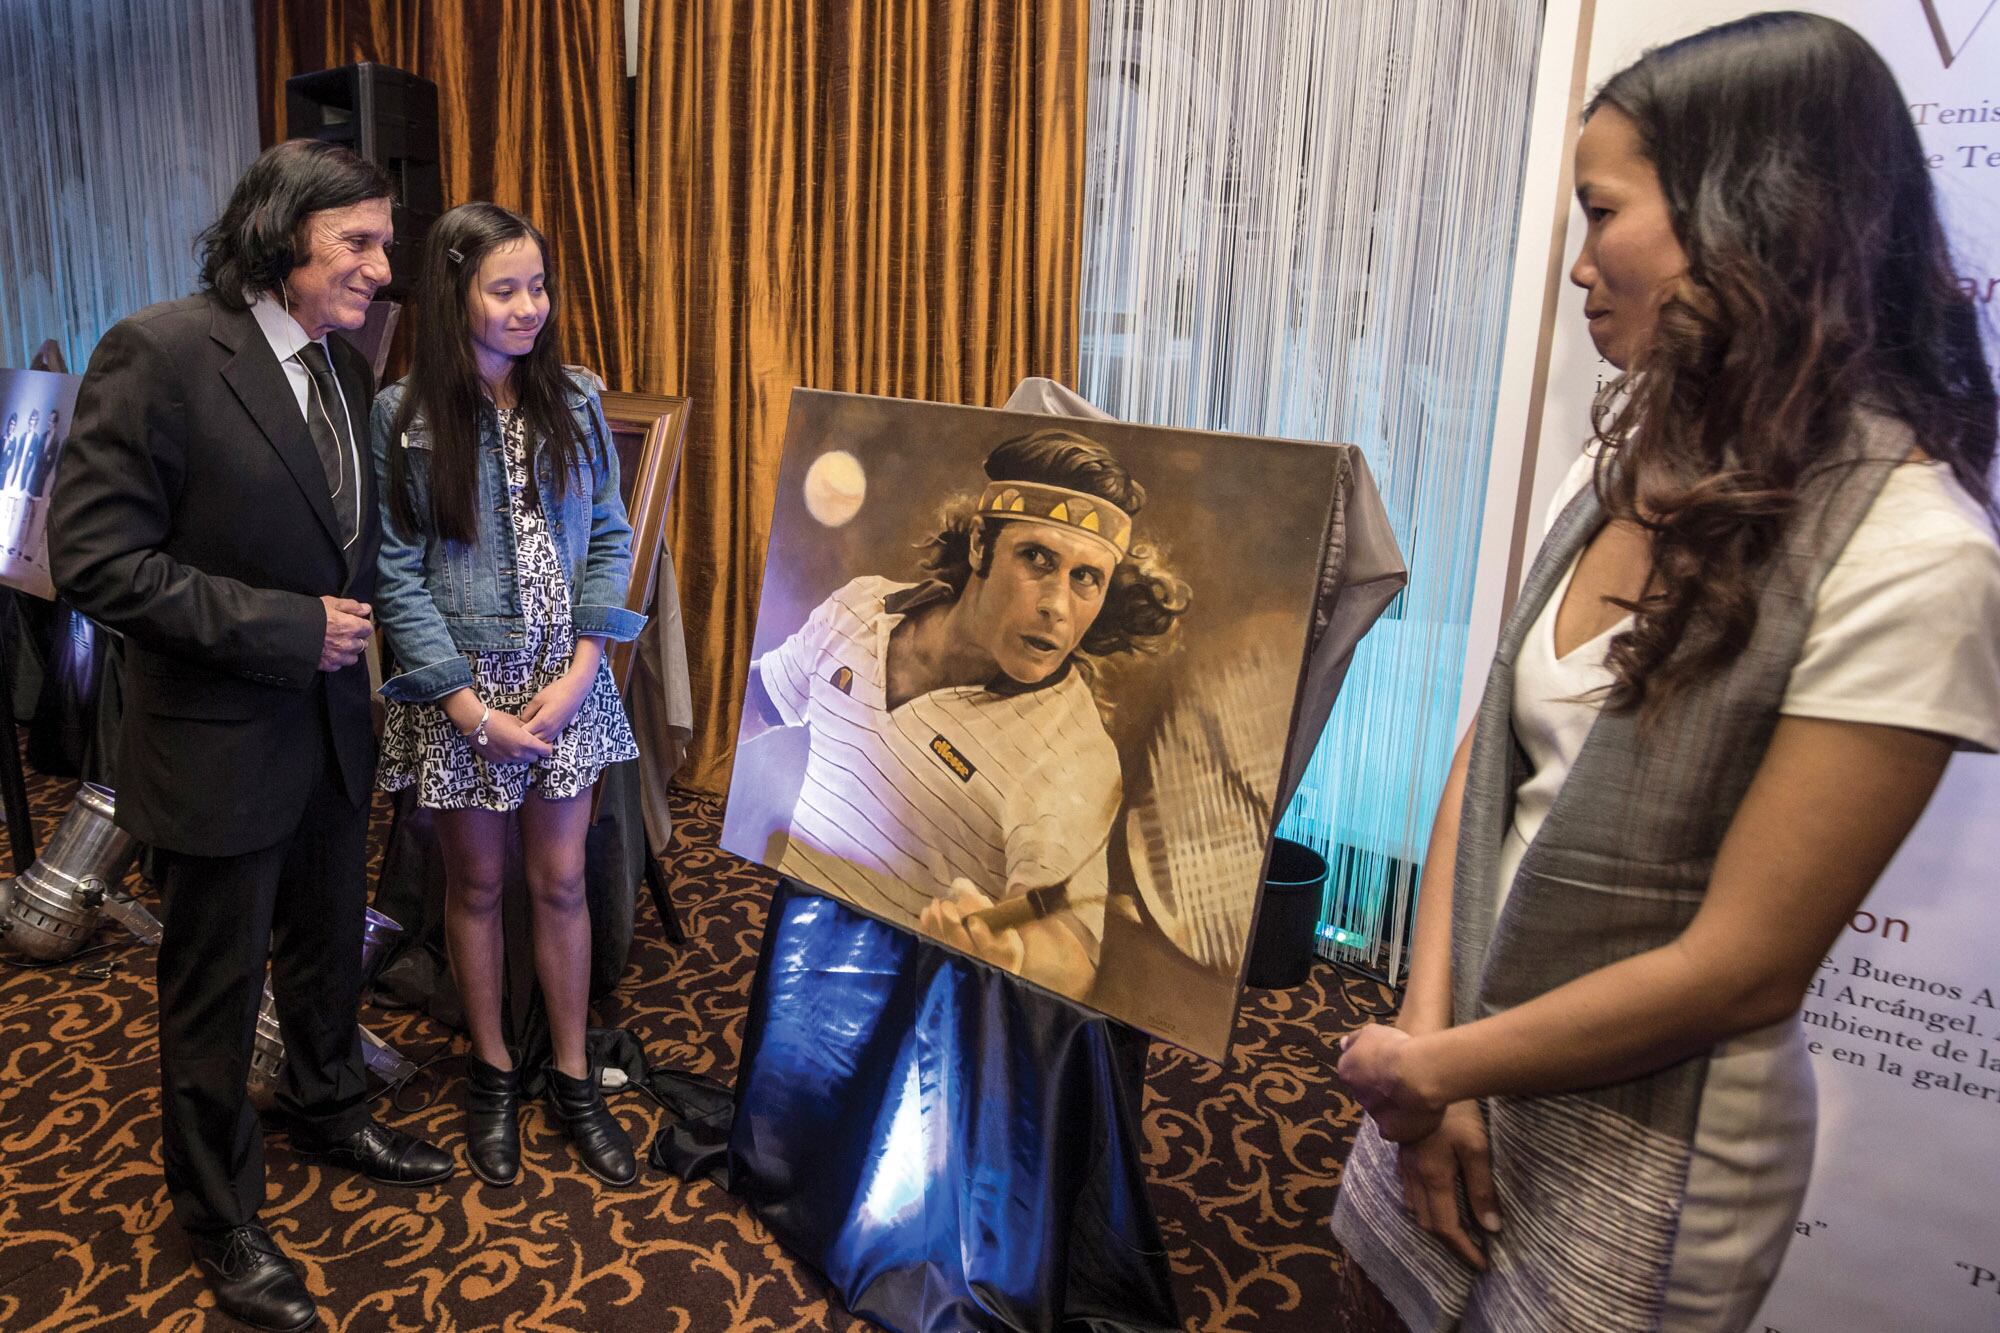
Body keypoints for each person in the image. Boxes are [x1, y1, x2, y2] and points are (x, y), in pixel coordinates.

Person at [1330, 14, 2000, 1332]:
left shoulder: (1917, 555)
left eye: (1601, 214)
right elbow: (1494, 759)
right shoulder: (1620, 461)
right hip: (1456, 1057)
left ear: (1749, 215)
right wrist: (1430, 1052)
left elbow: (1744, 967)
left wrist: (1440, 1063)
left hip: (1651, 1148)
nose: (1580, 267)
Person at [49, 139, 453, 1333]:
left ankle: (328, 1103)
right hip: (218, 739)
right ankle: (219, 1209)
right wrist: (283, 626)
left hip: (330, 731)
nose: (384, 269)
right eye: (361, 244)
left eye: (386, 244)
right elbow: (97, 562)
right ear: (283, 236)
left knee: (327, 942)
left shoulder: (333, 363)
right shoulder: (160, 352)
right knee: (213, 990)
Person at [370, 202, 646, 1190]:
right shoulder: (402, 415)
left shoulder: (572, 398)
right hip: (462, 696)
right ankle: (492, 1071)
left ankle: (573, 1075)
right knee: (476, 886)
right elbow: (394, 570)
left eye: (538, 286)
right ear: (456, 297)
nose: (530, 306)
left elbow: (609, 537)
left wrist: (582, 673)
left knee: (561, 881)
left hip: (562, 688)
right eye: (505, 288)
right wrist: (462, 708)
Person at [740, 428, 1189, 999]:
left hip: (911, 1000)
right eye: (1037, 559)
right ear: (980, 544)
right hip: (795, 935)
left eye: (1086, 578)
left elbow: (1072, 952)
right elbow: (760, 701)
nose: (1057, 605)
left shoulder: (1072, 754)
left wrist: (1014, 952)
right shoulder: (860, 604)